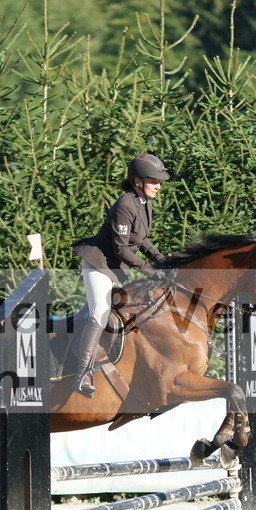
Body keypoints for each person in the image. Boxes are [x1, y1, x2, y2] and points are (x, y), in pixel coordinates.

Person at [70, 153, 170, 397]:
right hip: (99, 266)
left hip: (116, 269)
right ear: (137, 181)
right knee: (99, 313)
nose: (159, 186)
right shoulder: (125, 204)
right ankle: (82, 374)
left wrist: (164, 261)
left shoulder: (145, 202)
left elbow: (141, 239)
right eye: (154, 181)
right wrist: (148, 269)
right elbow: (121, 249)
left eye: (160, 181)